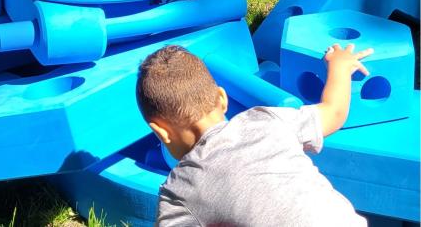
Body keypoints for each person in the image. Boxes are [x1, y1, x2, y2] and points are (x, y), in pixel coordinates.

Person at [136, 43, 373, 226]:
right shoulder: (267, 120)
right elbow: (334, 112)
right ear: (222, 98)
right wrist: (340, 67)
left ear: (161, 132)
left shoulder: (179, 192)